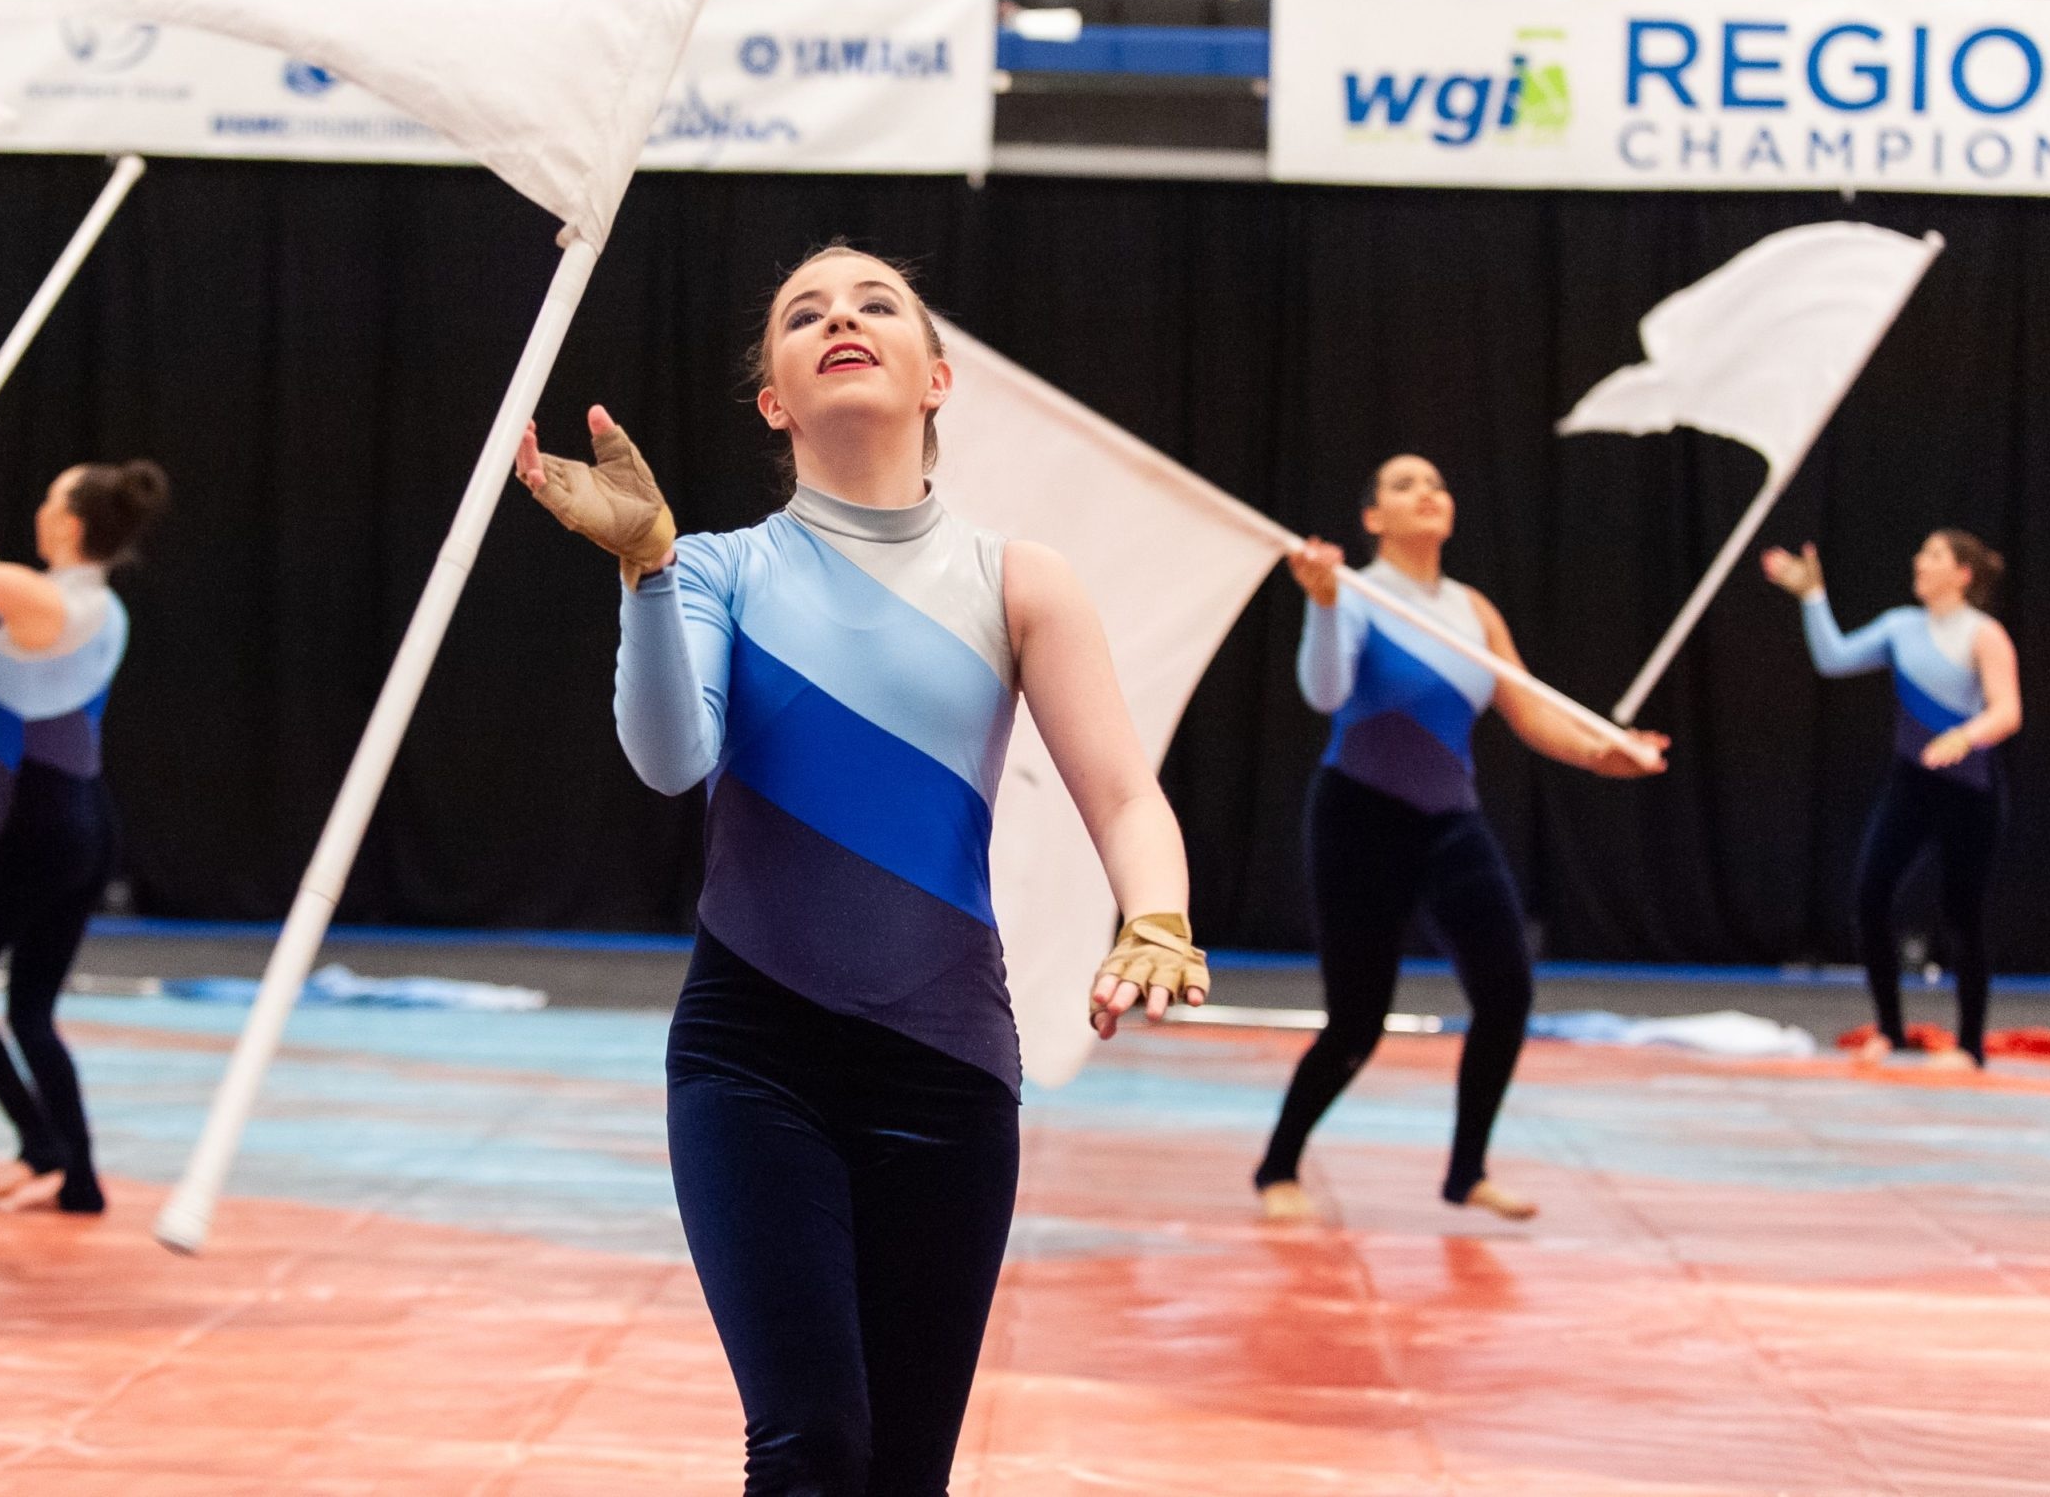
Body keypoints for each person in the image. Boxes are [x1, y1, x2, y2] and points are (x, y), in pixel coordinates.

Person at [513, 244, 1208, 1494]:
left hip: (946, 1070)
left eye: (875, 303)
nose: (842, 317)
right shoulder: (719, 566)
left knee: (902, 1470)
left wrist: (1154, 916)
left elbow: (1123, 793)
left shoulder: (1018, 578)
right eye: (805, 313)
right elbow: (672, 760)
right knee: (809, 1441)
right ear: (773, 397)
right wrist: (649, 568)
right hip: (751, 1061)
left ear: (935, 376)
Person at [1255, 455, 1668, 1225]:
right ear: (1373, 517)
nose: (1428, 493)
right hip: (1357, 819)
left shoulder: (1476, 609)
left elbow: (1528, 709)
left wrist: (1601, 751)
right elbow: (1326, 693)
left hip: (1449, 822)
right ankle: (1278, 1165)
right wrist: (1320, 605)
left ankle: (1467, 1171)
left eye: (1439, 483)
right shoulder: (1353, 591)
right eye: (1405, 484)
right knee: (1356, 1020)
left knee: (1507, 994)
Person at [0, 400, 171, 1215]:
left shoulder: (45, 602)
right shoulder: (91, 605)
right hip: (88, 822)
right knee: (30, 1009)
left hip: (40, 829)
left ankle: (45, 1143)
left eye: (52, 499)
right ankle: (76, 1175)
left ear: (69, 523)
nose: (41, 508)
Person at [1762, 533, 2021, 1070]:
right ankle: (1891, 1030)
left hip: (1969, 788)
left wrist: (1965, 736)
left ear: (1963, 574)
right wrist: (1812, 597)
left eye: (1932, 556)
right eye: (1920, 553)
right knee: (1870, 895)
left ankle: (1970, 1046)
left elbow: (2006, 711)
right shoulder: (1900, 627)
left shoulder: (1984, 635)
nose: (1917, 562)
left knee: (1963, 914)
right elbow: (1833, 660)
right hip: (1913, 781)